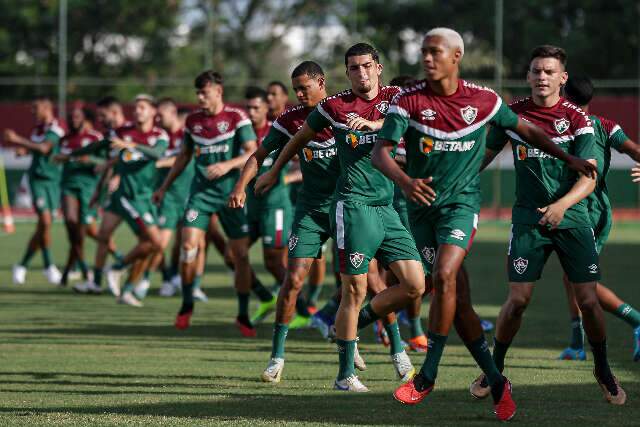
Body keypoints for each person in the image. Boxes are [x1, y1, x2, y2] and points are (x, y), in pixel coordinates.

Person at [371, 32, 596, 420]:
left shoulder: (485, 100)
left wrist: (567, 157)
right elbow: (380, 153)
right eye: (423, 51)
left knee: (441, 277)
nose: (426, 57)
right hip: (421, 210)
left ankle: (426, 376)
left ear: (456, 56)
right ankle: (496, 379)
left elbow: (526, 130)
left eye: (434, 51)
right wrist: (406, 182)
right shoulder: (406, 101)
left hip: (460, 207)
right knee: (460, 307)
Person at [255, 44, 422, 391]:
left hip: (386, 206)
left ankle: (349, 326)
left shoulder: (397, 97)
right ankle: (345, 374)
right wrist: (273, 172)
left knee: (414, 285)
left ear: (378, 67)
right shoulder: (334, 107)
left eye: (366, 66)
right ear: (346, 73)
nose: (361, 73)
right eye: (353, 68)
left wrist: (375, 123)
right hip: (353, 206)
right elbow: (298, 137)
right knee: (355, 288)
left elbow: (415, 122)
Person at [470, 46, 625, 406]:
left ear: (562, 77)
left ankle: (602, 368)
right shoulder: (513, 116)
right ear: (527, 76)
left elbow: (588, 175)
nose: (542, 77)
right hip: (528, 220)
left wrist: (561, 205)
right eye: (536, 70)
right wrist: (452, 181)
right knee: (518, 301)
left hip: (572, 218)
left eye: (549, 71)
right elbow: (486, 154)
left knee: (588, 300)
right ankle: (494, 367)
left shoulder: (577, 120)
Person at [153, 70, 259, 336]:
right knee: (188, 246)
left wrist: (227, 165)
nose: (200, 97)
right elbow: (183, 156)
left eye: (205, 92)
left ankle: (243, 314)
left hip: (232, 194)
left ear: (218, 92)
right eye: (198, 93)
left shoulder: (237, 118)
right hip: (200, 194)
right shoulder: (192, 122)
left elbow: (252, 151)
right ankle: (187, 302)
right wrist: (164, 187)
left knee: (241, 256)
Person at [556, 75, 640, 362]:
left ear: (564, 96)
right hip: (572, 211)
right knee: (571, 279)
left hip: (590, 213)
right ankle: (577, 343)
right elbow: (635, 150)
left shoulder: (597, 127)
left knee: (580, 280)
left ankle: (637, 321)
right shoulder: (602, 125)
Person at [68, 95, 168, 306]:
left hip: (143, 198)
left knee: (152, 244)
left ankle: (119, 272)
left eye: (143, 107)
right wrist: (70, 154)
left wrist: (129, 145)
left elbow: (157, 154)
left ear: (152, 112)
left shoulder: (159, 135)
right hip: (125, 196)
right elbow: (98, 146)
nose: (138, 110)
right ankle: (100, 281)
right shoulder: (122, 133)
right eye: (136, 107)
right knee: (105, 235)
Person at [5, 97, 65, 286]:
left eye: (35, 108)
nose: (33, 111)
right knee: (45, 222)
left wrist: (17, 140)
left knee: (43, 226)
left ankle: (22, 265)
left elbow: (45, 148)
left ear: (47, 108)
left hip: (54, 181)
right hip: (37, 179)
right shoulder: (36, 130)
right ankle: (49, 266)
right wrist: (25, 150)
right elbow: (36, 149)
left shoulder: (57, 127)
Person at [54, 104, 104, 287]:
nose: (73, 120)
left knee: (80, 234)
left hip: (89, 189)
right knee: (70, 223)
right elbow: (57, 157)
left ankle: (71, 271)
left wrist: (89, 160)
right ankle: (80, 268)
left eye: (77, 117)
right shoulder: (64, 140)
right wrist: (59, 158)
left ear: (85, 119)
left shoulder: (95, 138)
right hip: (69, 186)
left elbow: (105, 160)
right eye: (70, 117)